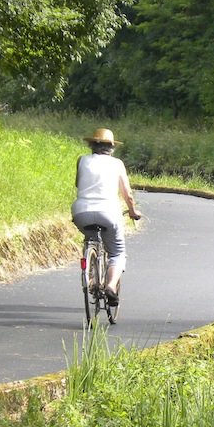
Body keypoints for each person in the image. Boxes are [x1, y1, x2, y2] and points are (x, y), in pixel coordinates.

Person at [71, 128, 141, 305]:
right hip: (108, 212)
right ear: (112, 147)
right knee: (117, 252)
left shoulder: (82, 161)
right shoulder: (117, 164)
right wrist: (133, 211)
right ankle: (110, 286)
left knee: (91, 238)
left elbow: (79, 184)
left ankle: (91, 273)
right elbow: (127, 194)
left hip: (81, 211)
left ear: (92, 145)